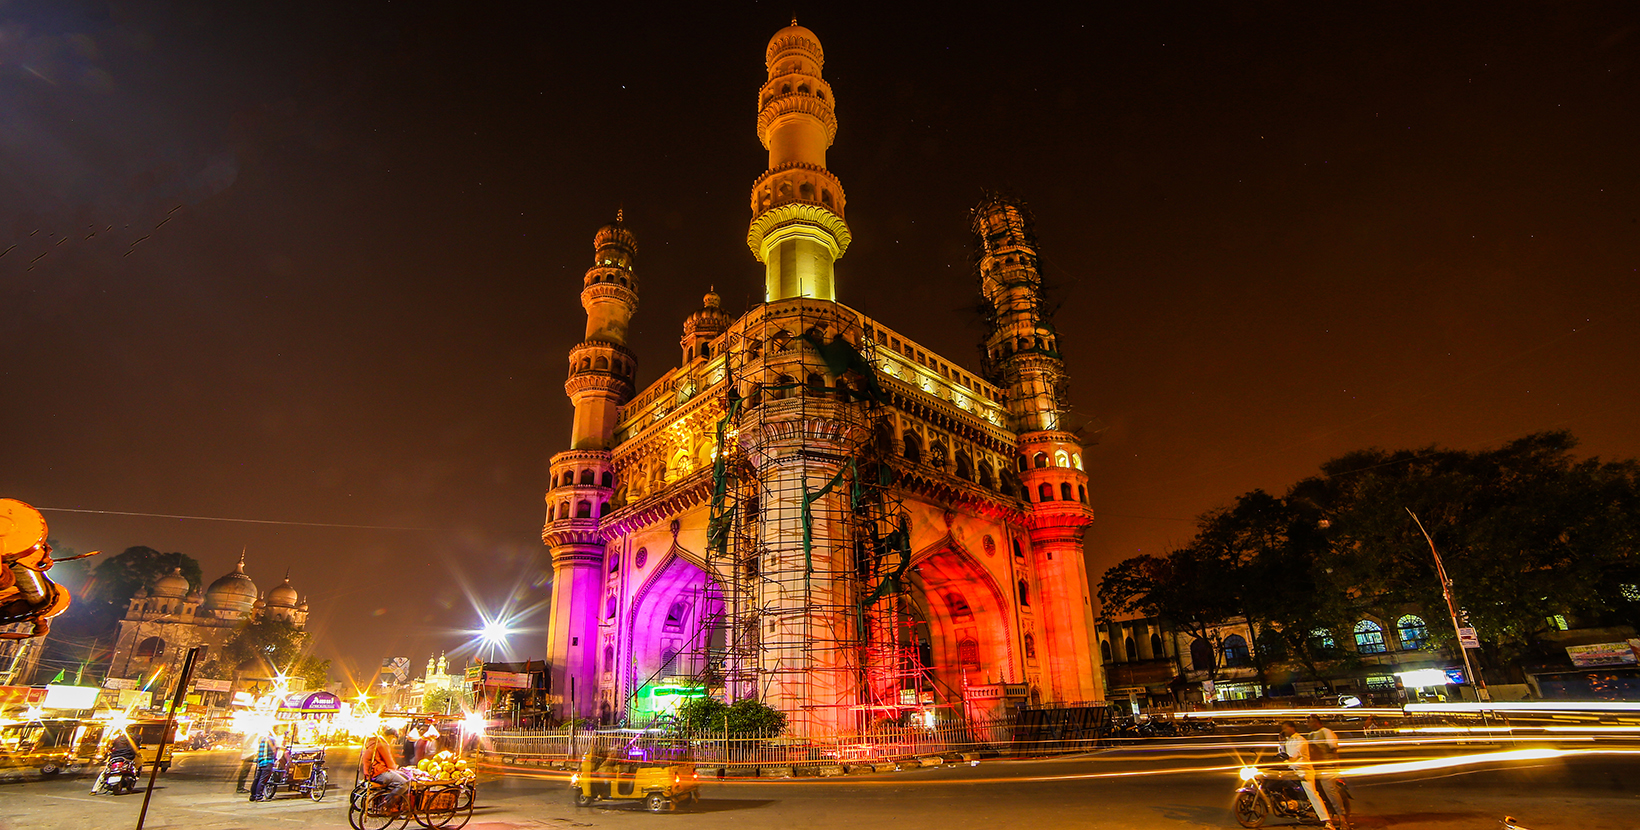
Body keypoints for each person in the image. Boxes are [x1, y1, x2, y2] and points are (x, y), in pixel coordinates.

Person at [1279, 720, 1337, 830]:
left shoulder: (1300, 740)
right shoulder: (1287, 741)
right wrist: (1281, 743)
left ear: (1292, 728)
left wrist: (1287, 758)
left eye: (1285, 728)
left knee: (1313, 794)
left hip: (1304, 771)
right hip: (1292, 770)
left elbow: (1294, 756)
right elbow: (1282, 753)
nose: (1283, 731)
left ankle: (1327, 821)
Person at [1308, 714, 1349, 825]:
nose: (1309, 725)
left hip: (1328, 766)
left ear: (1317, 722)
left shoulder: (1326, 732)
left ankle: (1342, 818)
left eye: (1311, 722)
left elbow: (1333, 747)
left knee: (1330, 791)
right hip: (1316, 767)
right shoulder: (1310, 735)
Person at [362, 727, 410, 811]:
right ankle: (386, 803)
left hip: (371, 773)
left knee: (404, 777)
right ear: (391, 737)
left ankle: (396, 804)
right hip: (378, 773)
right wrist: (396, 768)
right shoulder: (382, 744)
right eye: (394, 740)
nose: (393, 742)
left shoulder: (373, 742)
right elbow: (390, 763)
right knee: (404, 783)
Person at [249, 727, 280, 802]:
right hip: (268, 762)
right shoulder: (271, 739)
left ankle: (253, 795)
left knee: (257, 779)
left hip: (261, 762)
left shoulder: (261, 739)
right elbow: (275, 749)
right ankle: (259, 796)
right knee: (262, 780)